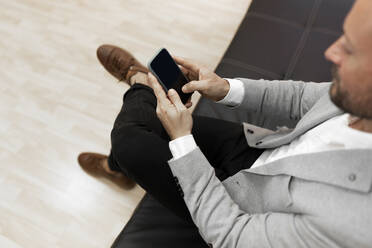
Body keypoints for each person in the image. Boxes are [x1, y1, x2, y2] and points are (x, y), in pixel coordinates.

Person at [78, 0, 372, 246]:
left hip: (241, 206)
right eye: (342, 37)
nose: (331, 52)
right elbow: (300, 99)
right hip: (262, 152)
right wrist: (226, 89)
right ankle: (122, 156)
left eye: (351, 49)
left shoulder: (353, 223)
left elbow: (232, 234)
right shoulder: (360, 97)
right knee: (145, 127)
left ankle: (139, 83)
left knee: (130, 141)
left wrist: (183, 141)